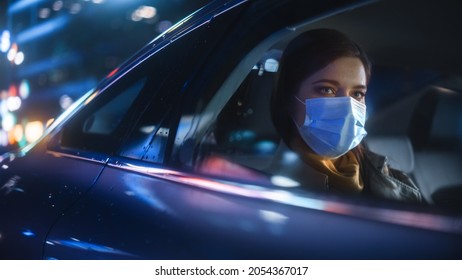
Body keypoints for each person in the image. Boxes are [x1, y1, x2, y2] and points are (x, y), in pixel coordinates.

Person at [271, 28, 422, 202]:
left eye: (357, 93)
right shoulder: (271, 192)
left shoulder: (392, 179)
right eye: (327, 89)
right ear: (289, 98)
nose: (348, 107)